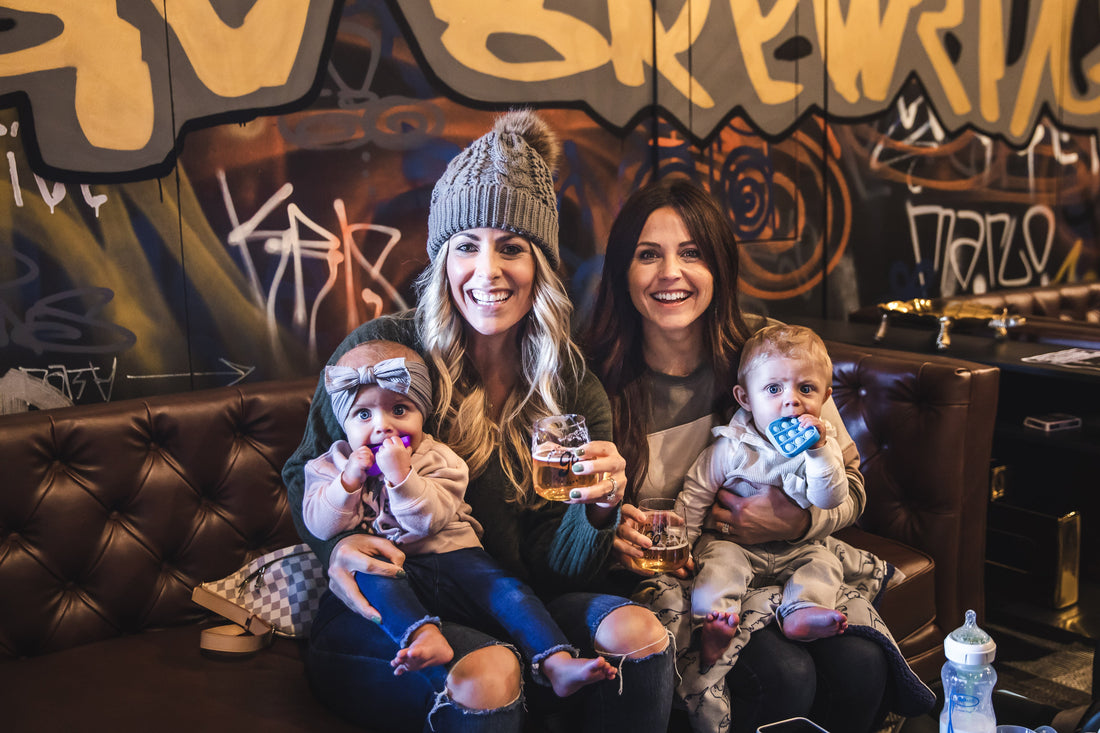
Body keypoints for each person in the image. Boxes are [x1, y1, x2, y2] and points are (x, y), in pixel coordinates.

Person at [282, 110, 674, 732]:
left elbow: (555, 571)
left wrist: (596, 514)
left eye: (511, 248)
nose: (487, 271)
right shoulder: (385, 351)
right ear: (442, 260)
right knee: (492, 671)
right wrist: (336, 543)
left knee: (638, 630)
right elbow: (310, 470)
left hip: (515, 601)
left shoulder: (570, 383)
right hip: (404, 610)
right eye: (466, 245)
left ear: (539, 266)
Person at [584, 178, 931, 733]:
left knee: (863, 664)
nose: (670, 272)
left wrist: (798, 520)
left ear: (719, 267)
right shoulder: (593, 377)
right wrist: (607, 534)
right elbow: (571, 520)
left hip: (787, 569)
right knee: (786, 676)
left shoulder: (772, 359)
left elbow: (853, 487)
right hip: (686, 581)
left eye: (691, 253)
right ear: (623, 271)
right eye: (649, 255)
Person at [301, 338, 616, 695]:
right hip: (396, 568)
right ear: (344, 423)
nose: (382, 426)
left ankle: (557, 662)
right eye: (363, 414)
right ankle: (424, 636)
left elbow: (426, 521)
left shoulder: (440, 459)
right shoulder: (331, 465)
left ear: (423, 412)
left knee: (510, 593)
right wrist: (346, 484)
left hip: (456, 558)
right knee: (370, 578)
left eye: (400, 410)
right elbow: (320, 525)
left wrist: (401, 478)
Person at [677, 324, 851, 671]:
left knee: (826, 563)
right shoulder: (732, 446)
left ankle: (802, 612)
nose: (791, 399)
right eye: (773, 388)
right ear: (745, 398)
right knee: (719, 563)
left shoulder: (823, 447)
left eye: (806, 388)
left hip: (797, 547)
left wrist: (818, 453)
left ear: (825, 397)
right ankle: (714, 621)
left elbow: (831, 499)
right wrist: (682, 544)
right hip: (735, 545)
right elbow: (696, 493)